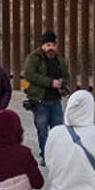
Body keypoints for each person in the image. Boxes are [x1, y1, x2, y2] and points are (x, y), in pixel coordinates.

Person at [22, 30, 69, 165]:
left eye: (52, 45)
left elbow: (66, 76)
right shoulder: (34, 58)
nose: (50, 48)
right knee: (42, 131)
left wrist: (62, 85)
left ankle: (57, 156)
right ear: (42, 45)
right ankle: (46, 156)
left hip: (56, 101)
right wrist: (50, 82)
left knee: (58, 131)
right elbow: (29, 75)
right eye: (48, 45)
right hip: (40, 101)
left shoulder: (59, 59)